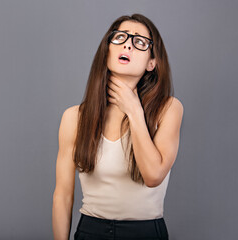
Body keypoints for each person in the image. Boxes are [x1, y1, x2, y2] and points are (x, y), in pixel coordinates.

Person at [52, 13, 184, 240]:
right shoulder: (74, 117)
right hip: (90, 231)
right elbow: (62, 196)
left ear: (152, 62)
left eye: (140, 42)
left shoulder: (169, 109)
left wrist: (134, 110)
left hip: (145, 233)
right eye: (120, 37)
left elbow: (153, 176)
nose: (128, 45)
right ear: (107, 51)